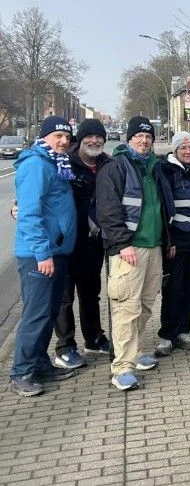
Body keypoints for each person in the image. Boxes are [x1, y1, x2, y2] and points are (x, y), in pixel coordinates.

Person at [96, 117, 171, 391]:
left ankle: (135, 352)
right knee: (127, 307)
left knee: (146, 303)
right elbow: (108, 211)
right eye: (139, 136)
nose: (144, 141)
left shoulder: (153, 166)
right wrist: (123, 243)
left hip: (154, 247)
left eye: (148, 137)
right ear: (129, 139)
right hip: (129, 249)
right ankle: (122, 367)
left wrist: (167, 240)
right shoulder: (115, 168)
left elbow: (162, 207)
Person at [9, 116, 77, 396]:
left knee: (48, 314)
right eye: (57, 136)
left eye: (66, 136)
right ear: (44, 137)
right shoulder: (36, 164)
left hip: (56, 252)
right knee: (35, 316)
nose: (63, 141)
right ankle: (21, 372)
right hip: (40, 255)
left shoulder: (56, 163)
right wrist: (42, 253)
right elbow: (29, 213)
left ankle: (39, 364)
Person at [51, 119, 111, 371]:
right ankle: (65, 348)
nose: (94, 141)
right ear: (81, 139)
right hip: (65, 243)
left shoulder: (106, 164)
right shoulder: (64, 163)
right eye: (90, 137)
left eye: (99, 137)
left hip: (92, 242)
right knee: (64, 297)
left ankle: (94, 338)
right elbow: (44, 192)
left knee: (90, 294)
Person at [154, 132, 190, 357]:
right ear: (175, 150)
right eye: (183, 148)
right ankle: (167, 334)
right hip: (177, 240)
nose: (188, 151)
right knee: (173, 288)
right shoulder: (166, 171)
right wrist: (169, 240)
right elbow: (164, 208)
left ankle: (184, 330)